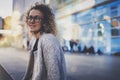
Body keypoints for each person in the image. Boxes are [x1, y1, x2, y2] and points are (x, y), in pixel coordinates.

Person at [23, 3, 66, 80]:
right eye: (30, 17)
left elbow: (54, 74)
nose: (32, 21)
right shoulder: (34, 40)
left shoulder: (48, 40)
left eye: (37, 18)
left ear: (45, 21)